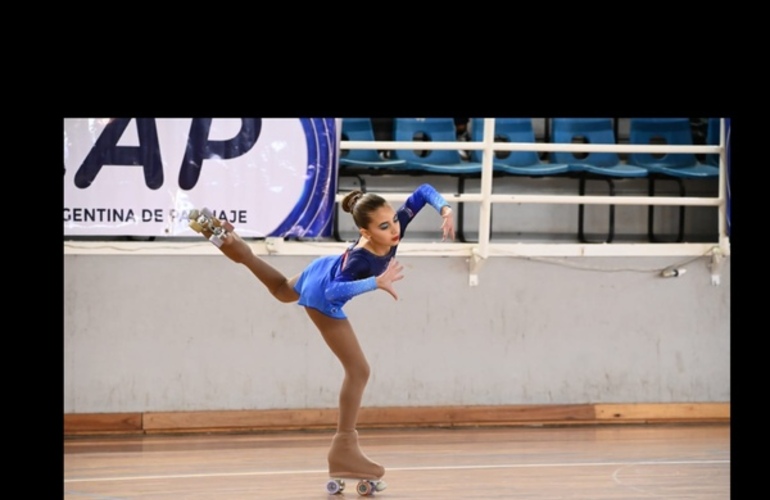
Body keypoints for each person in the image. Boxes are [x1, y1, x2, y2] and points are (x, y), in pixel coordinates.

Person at [188, 183, 455, 488]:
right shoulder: (361, 260)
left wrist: (444, 209)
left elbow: (422, 192)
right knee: (358, 370)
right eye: (384, 226)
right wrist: (375, 282)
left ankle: (226, 239)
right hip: (324, 292)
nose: (395, 229)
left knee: (280, 290)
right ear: (365, 233)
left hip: (322, 268)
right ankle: (344, 449)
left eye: (394, 219)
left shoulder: (394, 227)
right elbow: (333, 291)